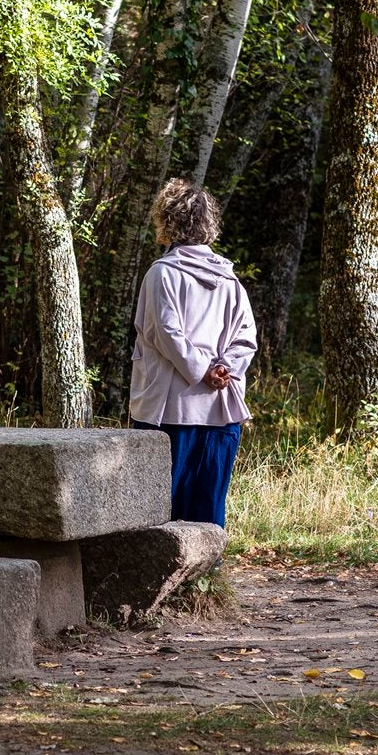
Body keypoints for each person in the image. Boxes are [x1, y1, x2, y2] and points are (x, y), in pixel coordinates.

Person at [129, 178, 258, 527]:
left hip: (171, 411)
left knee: (156, 514)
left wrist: (205, 371)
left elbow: (167, 334)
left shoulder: (163, 274)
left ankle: (166, 581)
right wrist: (222, 370)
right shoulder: (230, 280)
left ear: (166, 221)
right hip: (220, 411)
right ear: (207, 224)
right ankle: (206, 580)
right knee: (207, 513)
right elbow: (246, 337)